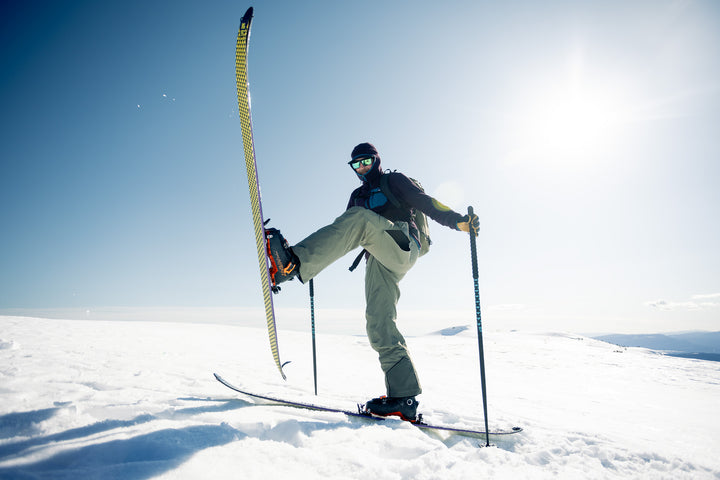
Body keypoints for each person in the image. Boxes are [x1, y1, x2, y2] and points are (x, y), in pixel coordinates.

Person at [266, 142, 479, 421]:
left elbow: (425, 202)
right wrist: (318, 264)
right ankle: (403, 399)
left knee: (359, 219)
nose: (362, 168)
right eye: (356, 164)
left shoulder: (394, 181)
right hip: (379, 258)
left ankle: (294, 264)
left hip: (403, 243)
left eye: (366, 161)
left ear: (376, 160)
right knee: (378, 323)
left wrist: (457, 221)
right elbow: (342, 232)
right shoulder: (357, 196)